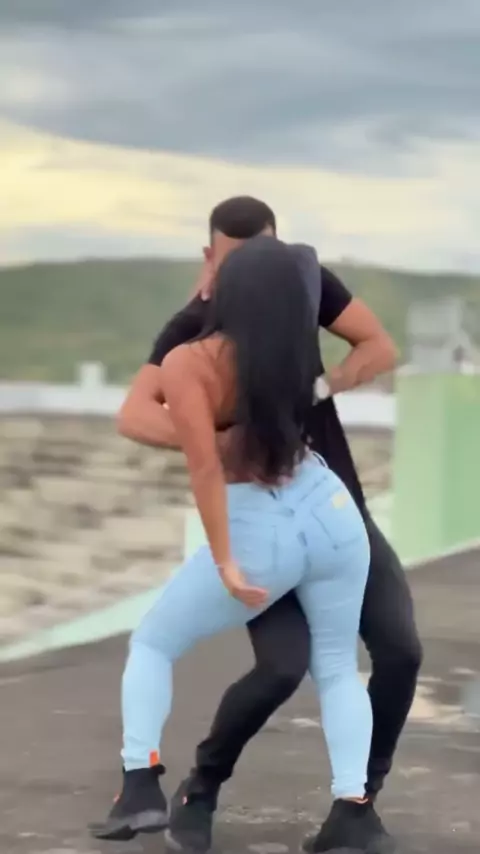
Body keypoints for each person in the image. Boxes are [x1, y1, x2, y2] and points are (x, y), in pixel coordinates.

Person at [116, 196, 422, 853]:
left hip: (335, 507)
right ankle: (201, 788)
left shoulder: (301, 289)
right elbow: (135, 414)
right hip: (261, 521)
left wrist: (325, 387)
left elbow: (380, 345)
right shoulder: (191, 327)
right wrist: (214, 441)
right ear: (211, 259)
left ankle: (356, 807)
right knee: (284, 667)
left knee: (401, 651)